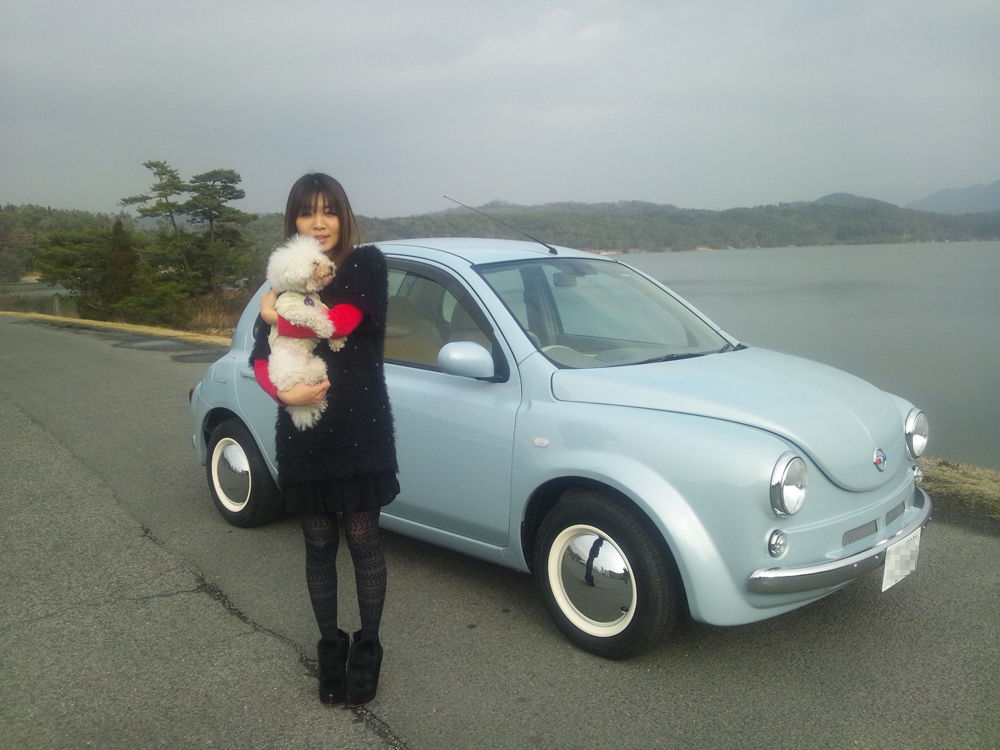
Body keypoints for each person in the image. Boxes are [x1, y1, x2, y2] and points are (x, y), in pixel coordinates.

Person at [250, 173, 398, 707]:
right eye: (307, 212)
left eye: (329, 211)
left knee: (363, 540)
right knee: (317, 544)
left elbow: (339, 322)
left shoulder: (364, 264)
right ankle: (330, 646)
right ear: (293, 220)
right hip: (304, 430)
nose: (319, 222)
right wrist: (282, 393)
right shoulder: (284, 279)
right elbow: (259, 356)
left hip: (361, 430)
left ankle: (369, 646)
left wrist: (275, 311)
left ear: (343, 216)